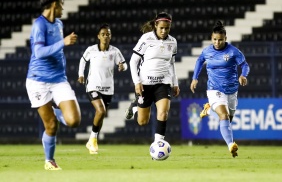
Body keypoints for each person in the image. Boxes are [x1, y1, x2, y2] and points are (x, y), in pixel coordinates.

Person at [26, 0, 81, 170]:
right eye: (62, 4)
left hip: (58, 80)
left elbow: (56, 50)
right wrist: (63, 42)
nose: (63, 8)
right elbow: (39, 52)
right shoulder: (39, 25)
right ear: (55, 4)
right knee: (50, 125)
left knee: (74, 121)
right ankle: (49, 161)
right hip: (38, 81)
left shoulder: (58, 24)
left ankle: (58, 113)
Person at [190, 21, 250, 158]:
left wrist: (243, 75)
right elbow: (199, 61)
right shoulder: (207, 51)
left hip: (232, 90)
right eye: (214, 39)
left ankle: (209, 109)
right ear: (211, 38)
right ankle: (231, 145)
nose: (217, 42)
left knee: (228, 119)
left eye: (220, 40)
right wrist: (195, 78)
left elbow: (245, 65)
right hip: (214, 89)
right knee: (224, 115)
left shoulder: (233, 51)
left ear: (225, 39)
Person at [125, 12, 180, 143]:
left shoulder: (172, 42)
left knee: (163, 113)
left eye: (167, 28)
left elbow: (171, 64)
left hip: (163, 83)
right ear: (156, 25)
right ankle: (134, 107)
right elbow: (133, 61)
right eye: (161, 28)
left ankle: (158, 144)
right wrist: (137, 82)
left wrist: (175, 83)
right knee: (142, 121)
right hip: (145, 83)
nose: (164, 31)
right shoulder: (146, 38)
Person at [77, 23, 128, 154]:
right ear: (98, 36)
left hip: (108, 89)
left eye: (108, 34)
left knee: (101, 115)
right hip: (93, 86)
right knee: (100, 110)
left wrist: (123, 67)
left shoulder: (115, 51)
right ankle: (93, 140)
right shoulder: (91, 50)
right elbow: (83, 61)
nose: (105, 37)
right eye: (103, 34)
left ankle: (92, 141)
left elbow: (124, 64)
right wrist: (81, 75)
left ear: (110, 36)